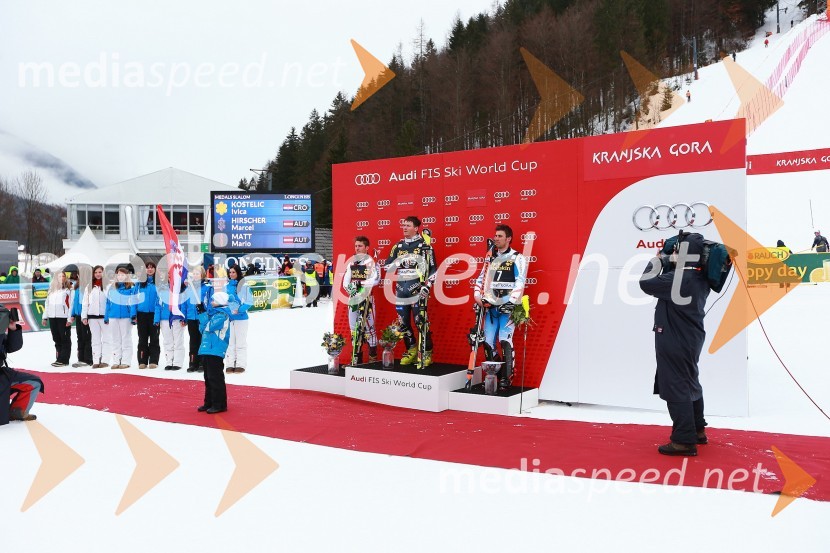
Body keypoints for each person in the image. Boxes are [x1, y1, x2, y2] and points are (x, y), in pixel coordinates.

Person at [639, 232, 712, 457]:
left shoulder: (680, 279)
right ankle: (697, 429)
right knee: (690, 381)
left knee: (676, 386)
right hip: (690, 337)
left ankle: (683, 440)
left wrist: (659, 259)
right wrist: (673, 260)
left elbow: (646, 283)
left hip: (674, 338)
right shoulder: (699, 277)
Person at [473, 225, 528, 388]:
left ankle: (507, 377)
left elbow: (520, 281)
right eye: (495, 236)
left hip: (507, 308)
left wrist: (512, 301)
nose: (496, 238)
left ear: (508, 238)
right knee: (488, 342)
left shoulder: (517, 257)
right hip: (491, 307)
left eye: (499, 236)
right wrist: (478, 298)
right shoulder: (490, 258)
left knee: (505, 341)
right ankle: (493, 374)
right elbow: (481, 279)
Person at [384, 215, 437, 366]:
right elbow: (387, 266)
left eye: (408, 225)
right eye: (403, 225)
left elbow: (434, 268)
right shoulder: (398, 246)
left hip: (417, 289)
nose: (404, 228)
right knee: (403, 322)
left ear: (416, 228)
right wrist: (401, 262)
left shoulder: (424, 245)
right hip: (401, 288)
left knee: (420, 321)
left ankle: (426, 351)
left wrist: (428, 286)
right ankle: (412, 349)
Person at [1, 315, 43, 424]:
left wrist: (12, 328)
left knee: (34, 382)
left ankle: (16, 412)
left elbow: (12, 347)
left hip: (2, 375)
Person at [344, 236, 379, 363]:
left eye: (360, 246)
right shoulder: (351, 262)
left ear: (367, 248)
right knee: (354, 329)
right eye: (356, 246)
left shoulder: (371, 262)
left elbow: (376, 280)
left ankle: (372, 359)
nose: (357, 248)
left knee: (370, 329)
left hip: (367, 298)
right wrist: (351, 289)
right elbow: (345, 281)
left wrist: (360, 285)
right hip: (353, 299)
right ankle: (356, 359)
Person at [196, 291, 231, 414]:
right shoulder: (213, 314)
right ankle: (209, 402)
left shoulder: (222, 314)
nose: (211, 302)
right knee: (208, 377)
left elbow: (209, 327)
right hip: (207, 348)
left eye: (213, 300)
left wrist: (203, 314)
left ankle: (219, 404)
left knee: (215, 377)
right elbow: (202, 329)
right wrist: (202, 314)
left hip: (215, 349)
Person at [105, 265, 137, 369]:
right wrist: (106, 316)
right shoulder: (112, 287)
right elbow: (108, 303)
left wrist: (133, 315)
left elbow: (133, 302)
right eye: (118, 275)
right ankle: (116, 360)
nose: (120, 276)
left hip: (125, 316)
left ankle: (126, 361)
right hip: (113, 316)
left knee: (125, 338)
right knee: (115, 339)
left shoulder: (131, 288)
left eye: (123, 274)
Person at [154, 280, 189, 371]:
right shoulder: (162, 288)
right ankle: (169, 361)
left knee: (178, 341)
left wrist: (183, 318)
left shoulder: (181, 289)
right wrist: (156, 319)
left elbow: (184, 304)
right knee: (168, 341)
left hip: (177, 318)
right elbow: (157, 305)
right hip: (164, 318)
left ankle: (177, 362)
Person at [224, 265, 251, 373]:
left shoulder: (244, 286)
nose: (231, 274)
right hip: (229, 318)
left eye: (233, 272)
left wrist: (239, 309)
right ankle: (230, 363)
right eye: (230, 272)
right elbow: (224, 301)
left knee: (240, 342)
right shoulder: (226, 287)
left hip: (241, 318)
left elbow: (249, 301)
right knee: (230, 342)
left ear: (238, 273)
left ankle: (241, 364)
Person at [41, 270, 72, 367]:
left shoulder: (68, 290)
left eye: (63, 276)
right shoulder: (51, 290)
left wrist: (69, 318)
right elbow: (47, 304)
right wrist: (45, 317)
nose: (61, 278)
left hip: (63, 317)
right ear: (55, 278)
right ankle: (59, 357)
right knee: (56, 338)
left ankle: (64, 359)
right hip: (52, 317)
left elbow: (71, 305)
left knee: (65, 338)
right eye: (59, 276)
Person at [81, 265, 110, 368]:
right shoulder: (89, 287)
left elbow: (110, 302)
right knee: (95, 339)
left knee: (106, 338)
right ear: (93, 274)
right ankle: (96, 360)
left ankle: (105, 360)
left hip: (105, 317)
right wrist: (84, 316)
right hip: (92, 317)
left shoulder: (108, 286)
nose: (98, 274)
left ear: (103, 273)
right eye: (96, 272)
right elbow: (85, 302)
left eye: (100, 272)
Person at [135, 261, 161, 369]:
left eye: (152, 267)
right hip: (141, 315)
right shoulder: (139, 284)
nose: (150, 269)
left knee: (154, 338)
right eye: (147, 268)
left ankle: (153, 360)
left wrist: (158, 317)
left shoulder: (159, 284)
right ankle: (142, 360)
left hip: (154, 314)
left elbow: (160, 301)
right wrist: (133, 314)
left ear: (155, 270)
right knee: (142, 338)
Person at [185, 267, 211, 372]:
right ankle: (193, 362)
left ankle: (202, 363)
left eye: (198, 273)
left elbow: (209, 302)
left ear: (202, 275)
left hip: (202, 317)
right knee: (193, 341)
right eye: (194, 274)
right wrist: (184, 316)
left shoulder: (207, 288)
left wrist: (205, 310)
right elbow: (185, 303)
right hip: (192, 317)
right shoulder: (189, 288)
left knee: (202, 339)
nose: (195, 276)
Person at [69, 266, 93, 368]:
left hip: (86, 316)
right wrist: (73, 314)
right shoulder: (77, 286)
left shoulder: (89, 286)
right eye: (80, 274)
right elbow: (74, 302)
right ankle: (81, 358)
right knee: (80, 337)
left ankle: (88, 359)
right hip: (78, 315)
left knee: (87, 337)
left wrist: (86, 315)